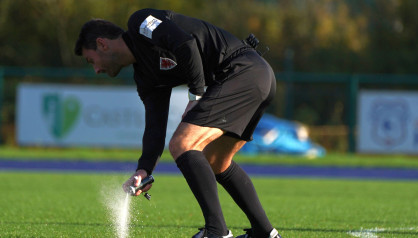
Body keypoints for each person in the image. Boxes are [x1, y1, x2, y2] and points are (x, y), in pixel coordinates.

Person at [74, 8, 281, 238]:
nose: (96, 70)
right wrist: (144, 169)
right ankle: (265, 233)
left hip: (242, 71)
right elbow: (155, 125)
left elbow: (185, 44)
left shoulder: (140, 23)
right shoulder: (145, 77)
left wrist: (196, 95)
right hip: (256, 77)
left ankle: (217, 232)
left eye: (91, 60)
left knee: (182, 143)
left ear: (102, 44)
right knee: (217, 161)